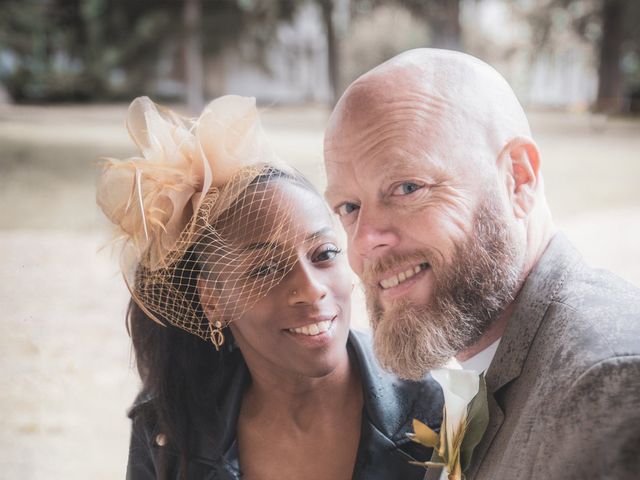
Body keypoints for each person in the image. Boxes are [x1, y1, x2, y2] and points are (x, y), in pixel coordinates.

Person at [323, 48, 640, 480]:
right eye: (349, 206)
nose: (364, 242)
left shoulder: (612, 387)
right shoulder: (477, 365)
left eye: (408, 187)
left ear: (518, 179)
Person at [97, 95, 443, 480]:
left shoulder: (434, 411)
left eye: (325, 253)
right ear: (212, 300)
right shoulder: (168, 432)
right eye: (265, 270)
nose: (310, 290)